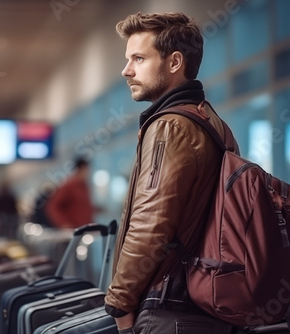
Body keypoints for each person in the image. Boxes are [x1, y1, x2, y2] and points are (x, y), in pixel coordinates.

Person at [104, 12, 236, 334]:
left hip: (167, 305)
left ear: (174, 62)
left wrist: (120, 303)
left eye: (138, 58)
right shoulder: (212, 122)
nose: (126, 70)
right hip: (203, 302)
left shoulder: (168, 127)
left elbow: (150, 224)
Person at [45, 158, 94, 229]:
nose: (88, 173)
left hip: (84, 229)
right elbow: (52, 206)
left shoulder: (84, 186)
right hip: (73, 230)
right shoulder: (69, 185)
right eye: (86, 170)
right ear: (80, 169)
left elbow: (81, 207)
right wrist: (63, 223)